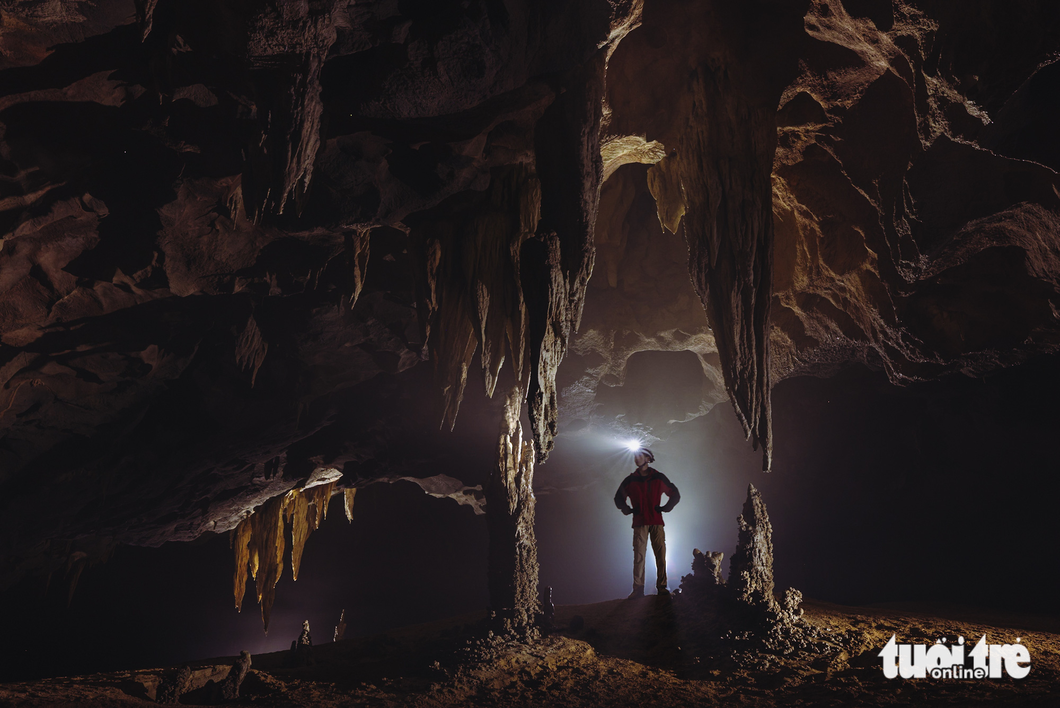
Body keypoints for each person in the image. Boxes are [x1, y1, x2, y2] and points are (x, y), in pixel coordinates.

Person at [614, 447, 680, 598]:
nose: (636, 458)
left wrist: (666, 508)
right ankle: (638, 589)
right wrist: (628, 509)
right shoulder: (631, 479)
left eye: (640, 456)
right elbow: (618, 498)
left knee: (660, 555)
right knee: (639, 556)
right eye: (635, 456)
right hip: (640, 522)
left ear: (648, 459)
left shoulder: (658, 477)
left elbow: (674, 493)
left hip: (656, 522)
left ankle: (662, 587)